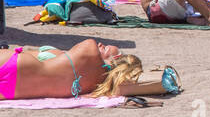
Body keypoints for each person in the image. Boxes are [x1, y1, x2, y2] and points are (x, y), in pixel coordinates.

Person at [0, 40, 176, 102]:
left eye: (106, 48)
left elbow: (81, 49)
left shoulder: (90, 48)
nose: (101, 45)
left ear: (115, 59)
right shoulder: (94, 86)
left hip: (18, 64)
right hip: (12, 91)